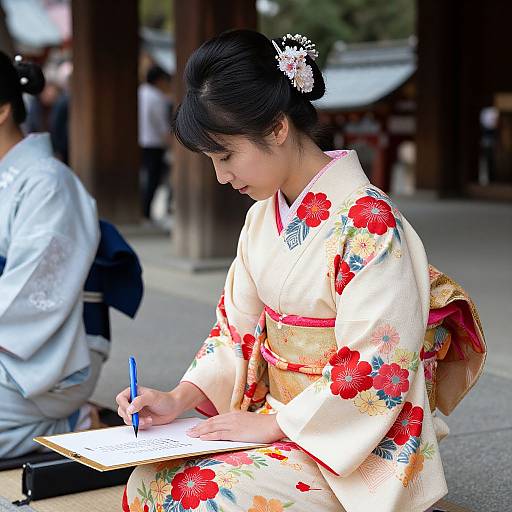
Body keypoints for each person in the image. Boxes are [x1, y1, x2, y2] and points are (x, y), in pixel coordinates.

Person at [117, 30, 486, 512]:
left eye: (225, 156)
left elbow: (380, 362)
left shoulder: (368, 223)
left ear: (276, 128)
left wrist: (276, 426)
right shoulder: (260, 219)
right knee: (150, 480)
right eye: (212, 160)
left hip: (352, 444)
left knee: (198, 496)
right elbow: (236, 334)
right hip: (286, 422)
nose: (221, 176)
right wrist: (180, 397)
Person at [0, 52, 108, 458]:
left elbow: (29, 296)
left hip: (47, 359)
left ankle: (70, 423)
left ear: (2, 111)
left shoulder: (48, 184)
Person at [138, 65, 172, 221]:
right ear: (159, 80)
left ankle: (142, 211)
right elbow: (162, 125)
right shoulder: (157, 97)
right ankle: (146, 212)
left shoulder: (140, 93)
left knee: (144, 177)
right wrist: (171, 143)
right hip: (154, 143)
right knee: (152, 179)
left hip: (140, 142)